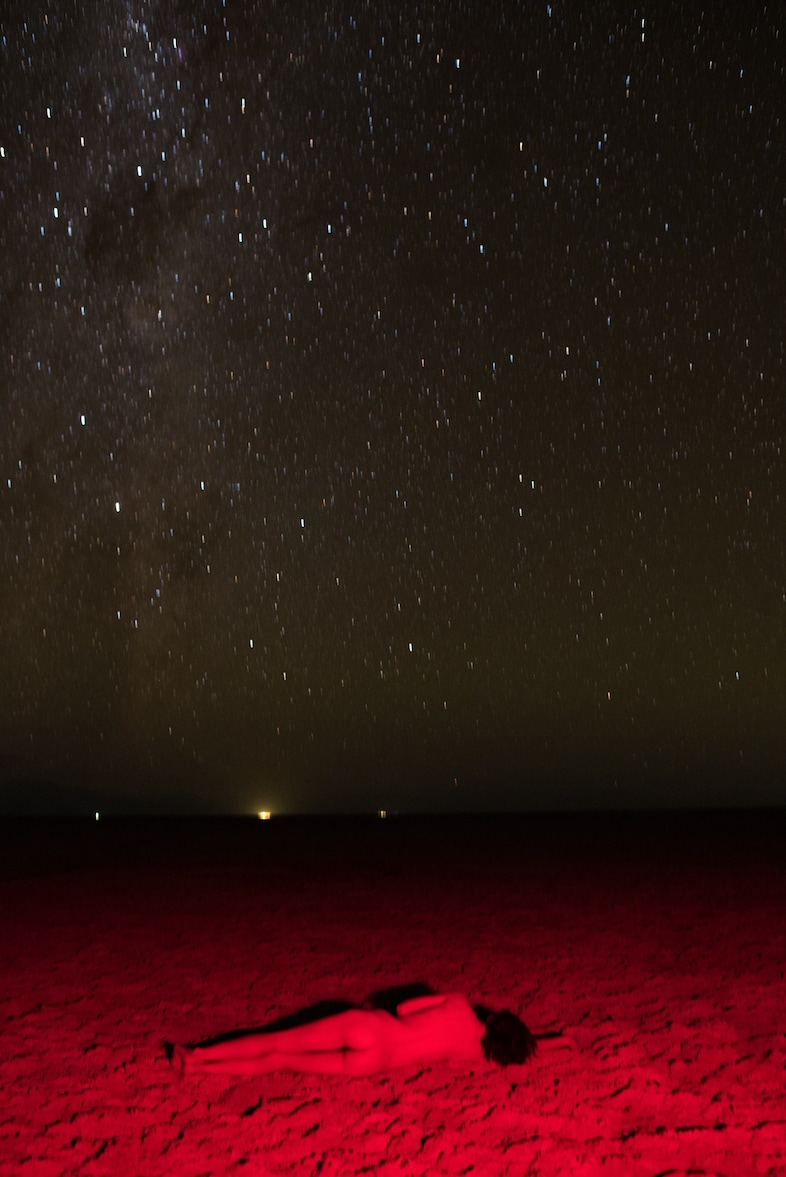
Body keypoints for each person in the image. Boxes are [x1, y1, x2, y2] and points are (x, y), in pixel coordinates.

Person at [165, 992, 540, 1078]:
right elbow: (530, 1049)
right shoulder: (474, 1054)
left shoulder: (459, 1003)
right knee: (279, 1061)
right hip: (374, 1063)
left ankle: (197, 1056)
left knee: (276, 1039)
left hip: (372, 1027)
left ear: (494, 1018)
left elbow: (406, 1009)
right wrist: (557, 1042)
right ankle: (199, 1070)